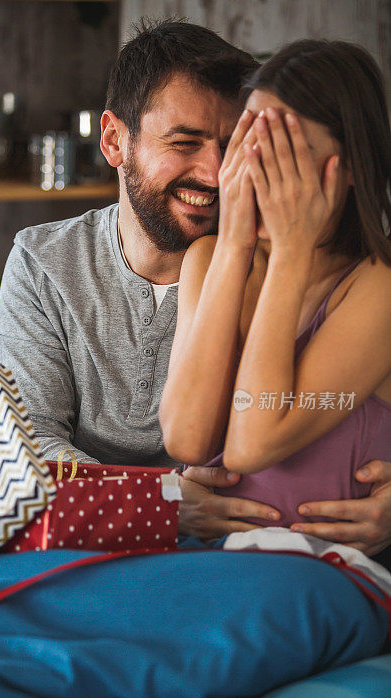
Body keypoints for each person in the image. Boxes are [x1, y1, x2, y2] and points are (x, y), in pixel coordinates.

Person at [0, 20, 391, 556]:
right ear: (114, 139)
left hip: (231, 545)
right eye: (185, 142)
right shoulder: (46, 261)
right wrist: (159, 499)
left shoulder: (322, 269)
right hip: (106, 523)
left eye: (233, 145)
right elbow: (25, 444)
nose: (216, 172)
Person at [160, 38, 391, 559]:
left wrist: (291, 252)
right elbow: (187, 438)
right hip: (209, 559)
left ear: (351, 166)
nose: (259, 171)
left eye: (286, 152)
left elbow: (251, 444)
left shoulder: (378, 285)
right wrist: (237, 244)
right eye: (251, 144)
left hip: (319, 573)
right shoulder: (210, 258)